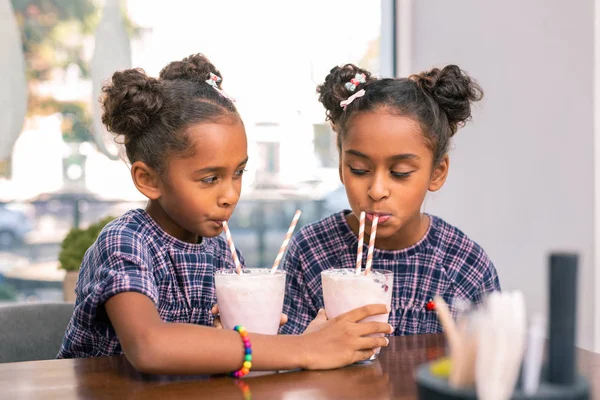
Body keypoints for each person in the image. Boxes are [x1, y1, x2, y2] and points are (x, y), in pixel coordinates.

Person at [57, 54, 392, 375]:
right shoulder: (126, 242)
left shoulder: (223, 255)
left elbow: (244, 351)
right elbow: (148, 346)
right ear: (149, 179)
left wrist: (301, 337)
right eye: (210, 178)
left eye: (239, 173)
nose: (231, 195)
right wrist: (304, 349)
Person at [281, 63, 501, 336]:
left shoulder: (464, 265)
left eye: (400, 173)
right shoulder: (311, 252)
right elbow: (287, 359)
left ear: (437, 172)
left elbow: (485, 366)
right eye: (359, 170)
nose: (376, 190)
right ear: (341, 167)